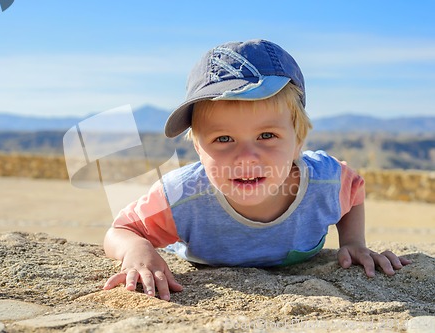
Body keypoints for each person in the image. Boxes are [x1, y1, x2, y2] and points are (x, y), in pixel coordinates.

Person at [102, 39, 411, 301]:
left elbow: (354, 189)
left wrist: (353, 242)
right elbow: (121, 230)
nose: (246, 157)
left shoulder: (324, 181)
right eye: (223, 139)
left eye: (267, 136)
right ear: (198, 148)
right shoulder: (182, 198)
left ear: (298, 140)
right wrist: (138, 250)